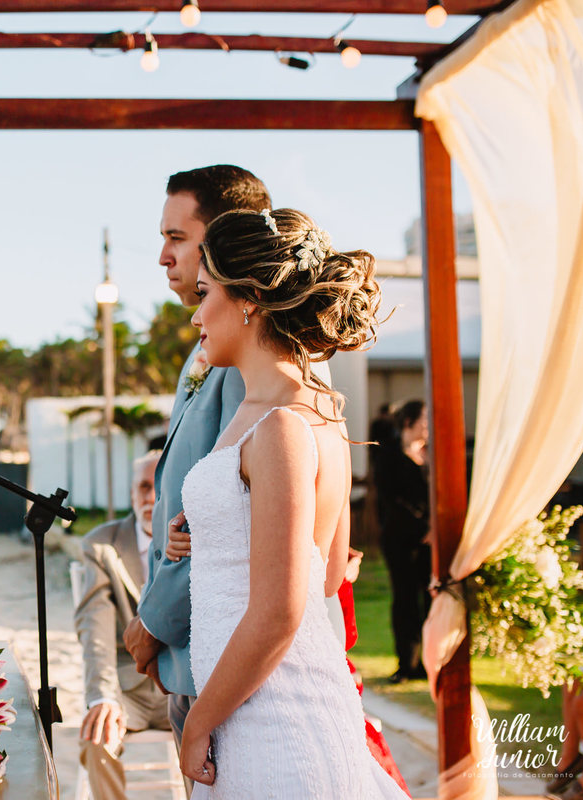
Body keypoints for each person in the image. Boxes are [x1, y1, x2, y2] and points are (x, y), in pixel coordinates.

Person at [166, 208, 407, 798]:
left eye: (205, 293)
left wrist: (198, 724)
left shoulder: (278, 426)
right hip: (251, 708)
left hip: (275, 722)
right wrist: (211, 530)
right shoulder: (315, 411)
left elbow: (281, 611)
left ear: (247, 298)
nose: (196, 316)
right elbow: (324, 573)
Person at [123, 165, 270, 750]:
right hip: (193, 652)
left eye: (176, 238)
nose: (162, 256)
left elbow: (224, 519)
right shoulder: (208, 349)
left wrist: (153, 622)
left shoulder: (249, 363)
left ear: (226, 241)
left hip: (218, 652)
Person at [75, 451, 172, 800]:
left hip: (182, 691)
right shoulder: (101, 546)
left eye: (157, 486)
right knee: (95, 738)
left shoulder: (193, 538)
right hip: (124, 690)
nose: (149, 497)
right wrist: (102, 696)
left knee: (217, 743)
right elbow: (94, 626)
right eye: (142, 487)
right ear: (131, 492)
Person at [374, 399, 432, 683]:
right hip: (400, 539)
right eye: (424, 419)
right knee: (405, 599)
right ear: (408, 422)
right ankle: (406, 663)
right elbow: (391, 499)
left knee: (431, 600)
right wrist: (423, 527)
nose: (428, 425)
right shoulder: (388, 454)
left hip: (431, 543)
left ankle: (428, 662)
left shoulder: (431, 457)